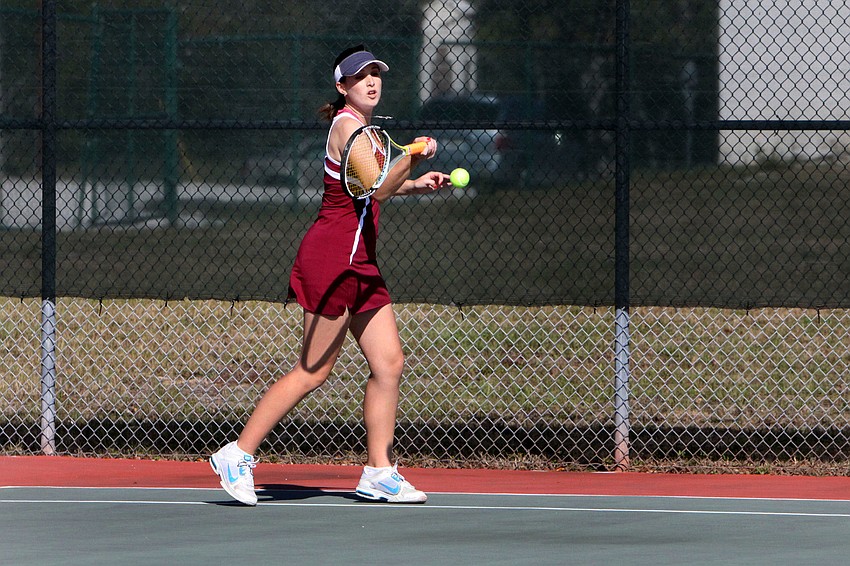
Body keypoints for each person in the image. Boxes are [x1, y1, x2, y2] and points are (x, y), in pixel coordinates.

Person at [210, 45, 450, 505]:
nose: (372, 82)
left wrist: (418, 181)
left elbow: (371, 190)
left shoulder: (368, 132)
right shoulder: (347, 127)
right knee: (313, 370)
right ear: (343, 88)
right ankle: (236, 455)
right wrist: (413, 160)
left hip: (360, 263)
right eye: (362, 77)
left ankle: (379, 472)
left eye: (376, 74)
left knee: (389, 363)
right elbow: (377, 192)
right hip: (331, 261)